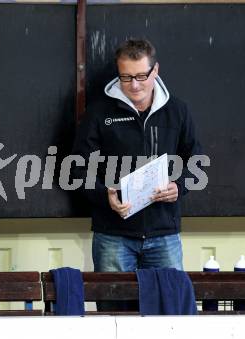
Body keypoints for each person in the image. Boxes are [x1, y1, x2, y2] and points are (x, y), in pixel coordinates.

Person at [72, 38, 201, 311]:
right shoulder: (98, 113)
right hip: (113, 236)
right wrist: (103, 194)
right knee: (113, 314)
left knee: (172, 313)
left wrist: (179, 186)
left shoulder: (177, 111)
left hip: (164, 234)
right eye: (126, 77)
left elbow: (197, 161)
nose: (134, 84)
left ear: (156, 71)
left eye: (142, 75)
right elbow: (79, 168)